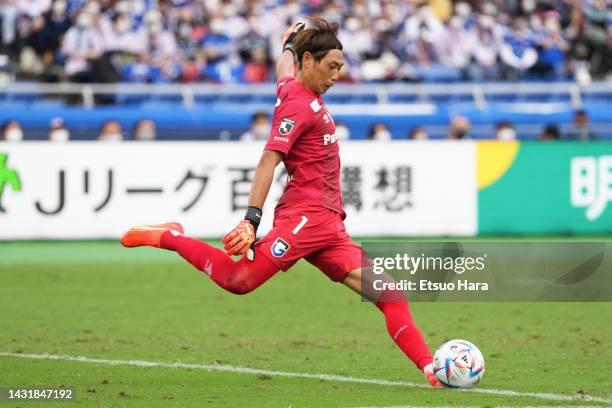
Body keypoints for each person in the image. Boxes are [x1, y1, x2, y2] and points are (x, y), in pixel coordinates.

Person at [120, 17, 441, 388]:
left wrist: (287, 44)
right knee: (237, 281)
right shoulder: (299, 106)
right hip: (305, 219)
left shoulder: (292, 88)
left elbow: (283, 69)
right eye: (331, 66)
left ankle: (431, 369)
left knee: (390, 294)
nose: (337, 75)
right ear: (309, 60)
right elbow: (268, 160)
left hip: (329, 226)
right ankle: (168, 236)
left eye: (340, 67)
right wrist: (250, 220)